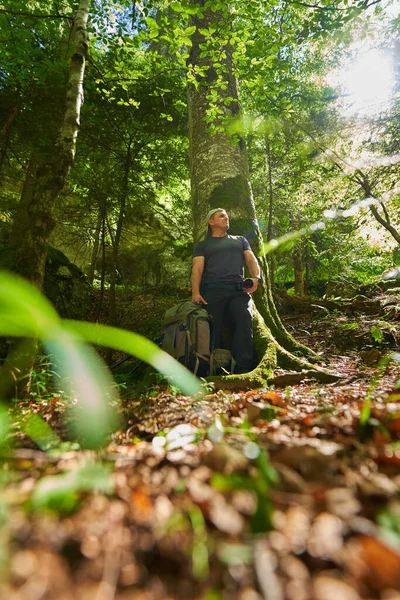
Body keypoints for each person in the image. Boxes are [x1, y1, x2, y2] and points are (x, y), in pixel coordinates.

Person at [191, 208, 262, 374]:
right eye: (221, 216)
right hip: (213, 290)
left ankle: (243, 368)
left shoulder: (240, 240)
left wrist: (256, 278)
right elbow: (197, 270)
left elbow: (251, 260)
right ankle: (209, 369)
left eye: (226, 216)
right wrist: (195, 292)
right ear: (211, 222)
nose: (226, 218)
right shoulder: (203, 245)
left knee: (244, 320)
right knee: (210, 327)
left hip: (238, 289)